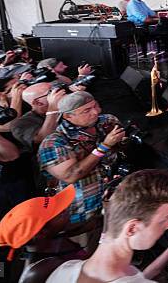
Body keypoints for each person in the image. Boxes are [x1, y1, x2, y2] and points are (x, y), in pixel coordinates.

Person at [38, 91, 125, 239]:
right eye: (87, 110)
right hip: (82, 213)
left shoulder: (107, 121)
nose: (96, 112)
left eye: (95, 106)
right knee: (90, 248)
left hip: (115, 199)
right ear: (68, 116)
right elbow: (71, 175)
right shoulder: (53, 143)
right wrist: (104, 146)